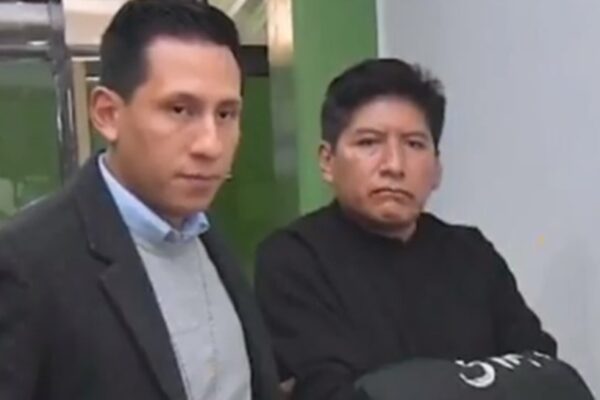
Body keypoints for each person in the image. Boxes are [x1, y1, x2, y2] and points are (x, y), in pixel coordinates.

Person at [0, 1, 280, 399]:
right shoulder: (26, 264)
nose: (211, 145)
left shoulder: (206, 233)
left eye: (226, 114)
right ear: (107, 114)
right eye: (180, 110)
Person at [255, 58, 557, 400]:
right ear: (327, 161)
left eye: (414, 144)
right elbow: (329, 391)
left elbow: (541, 373)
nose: (394, 166)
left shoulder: (472, 253)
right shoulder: (293, 259)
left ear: (437, 169)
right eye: (369, 143)